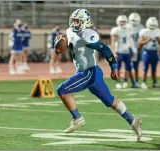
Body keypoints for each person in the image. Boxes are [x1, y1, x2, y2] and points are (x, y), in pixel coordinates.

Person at [55, 9, 142, 141]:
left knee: (62, 90)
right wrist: (59, 42)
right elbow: (59, 49)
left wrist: (113, 68)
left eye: (78, 21)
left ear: (85, 22)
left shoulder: (87, 35)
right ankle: (133, 120)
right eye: (73, 21)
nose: (75, 23)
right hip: (92, 73)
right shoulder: (69, 31)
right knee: (110, 101)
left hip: (88, 72)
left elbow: (105, 49)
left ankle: (77, 118)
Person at [110, 15, 140, 89]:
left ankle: (133, 83)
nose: (122, 23)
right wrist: (113, 52)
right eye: (121, 21)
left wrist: (133, 50)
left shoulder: (128, 29)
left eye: (124, 21)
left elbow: (130, 40)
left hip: (127, 51)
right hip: (119, 51)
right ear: (117, 22)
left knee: (129, 68)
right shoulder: (116, 30)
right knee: (118, 68)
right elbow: (113, 42)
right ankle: (118, 82)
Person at [139, 17, 160, 89]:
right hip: (147, 51)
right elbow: (140, 42)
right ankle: (143, 82)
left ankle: (155, 83)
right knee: (145, 68)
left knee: (154, 69)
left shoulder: (158, 31)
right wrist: (147, 40)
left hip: (155, 52)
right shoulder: (144, 31)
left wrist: (158, 38)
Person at [127, 13, 144, 86]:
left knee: (136, 66)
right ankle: (125, 80)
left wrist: (140, 47)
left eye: (135, 20)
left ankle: (136, 81)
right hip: (129, 48)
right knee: (127, 66)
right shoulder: (126, 26)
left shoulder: (141, 27)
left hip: (137, 48)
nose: (134, 21)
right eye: (133, 19)